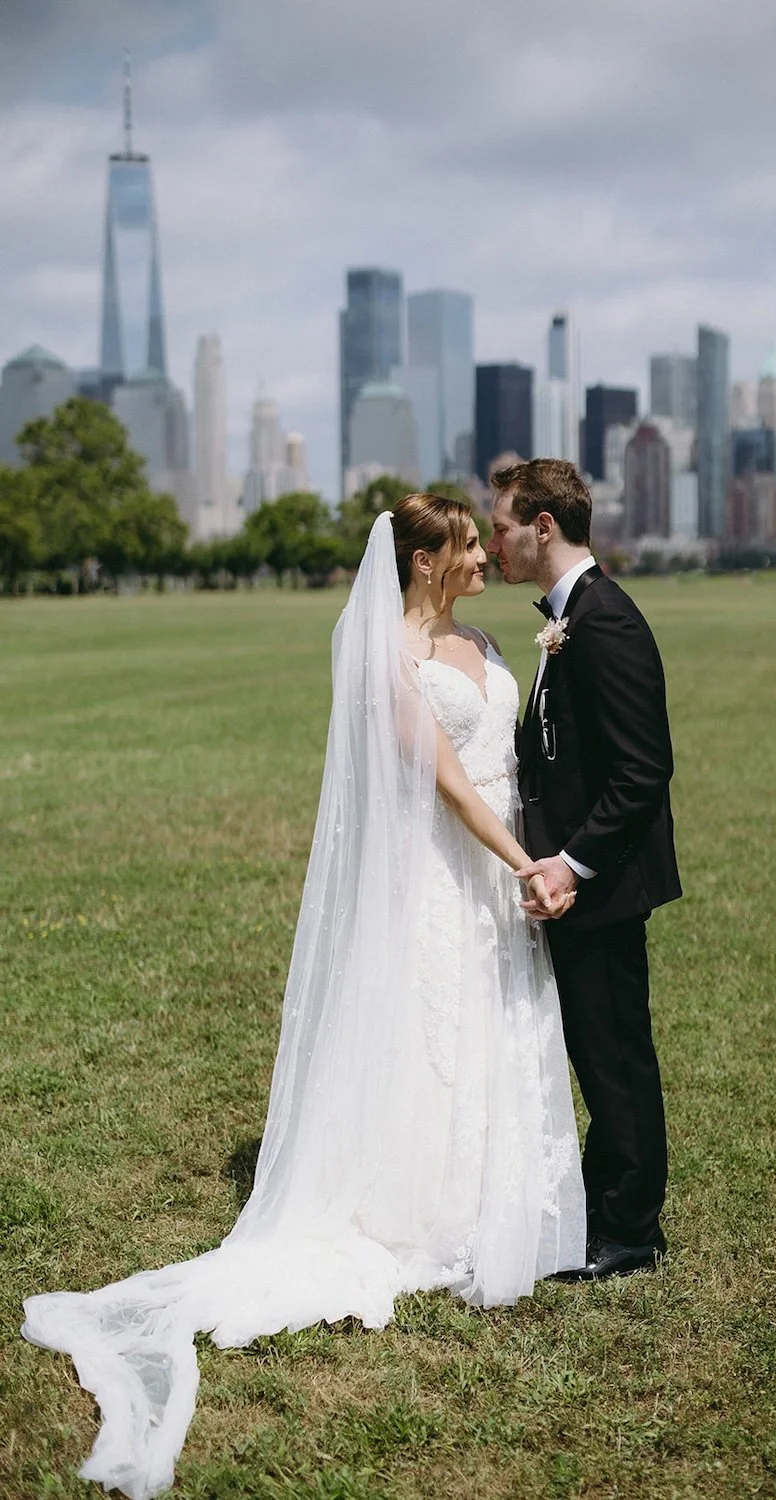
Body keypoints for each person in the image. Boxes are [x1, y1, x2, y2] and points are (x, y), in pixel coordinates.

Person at [22, 495, 585, 1500]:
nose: (483, 558)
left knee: (494, 1023)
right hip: (450, 868)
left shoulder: (493, 638)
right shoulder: (383, 656)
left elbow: (512, 754)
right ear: (423, 562)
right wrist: (520, 864)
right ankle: (419, 1207)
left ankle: (490, 1193)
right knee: (431, 1029)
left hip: (506, 863)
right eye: (466, 547)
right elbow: (449, 781)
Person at [488, 459, 682, 1281]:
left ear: (541, 526)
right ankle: (607, 1206)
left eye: (499, 527)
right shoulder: (570, 618)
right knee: (594, 1050)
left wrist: (569, 864)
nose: (493, 542)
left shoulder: (604, 620)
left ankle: (630, 1233)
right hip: (572, 883)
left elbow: (644, 770)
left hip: (602, 883)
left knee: (615, 1054)